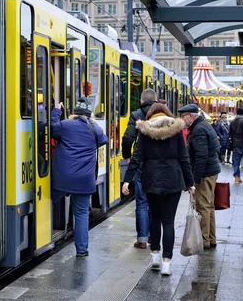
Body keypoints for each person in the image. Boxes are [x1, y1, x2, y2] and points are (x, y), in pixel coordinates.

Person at [122, 103, 194, 275]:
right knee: (168, 222)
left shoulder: (145, 132)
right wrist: (190, 183)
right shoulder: (176, 132)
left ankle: (154, 255)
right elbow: (184, 159)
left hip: (151, 180)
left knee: (155, 218)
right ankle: (167, 263)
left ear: (150, 116)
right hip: (173, 181)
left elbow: (137, 157)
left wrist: (127, 180)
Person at [51, 97, 109, 257]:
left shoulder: (66, 125)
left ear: (74, 113)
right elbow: (104, 140)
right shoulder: (94, 130)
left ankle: (44, 233)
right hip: (84, 179)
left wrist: (56, 111)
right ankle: (82, 250)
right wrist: (94, 123)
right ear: (89, 114)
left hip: (63, 177)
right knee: (82, 214)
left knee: (48, 203)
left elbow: (52, 129)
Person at [179, 104, 221, 249]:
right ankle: (210, 238)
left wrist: (195, 179)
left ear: (191, 116)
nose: (182, 120)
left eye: (183, 116)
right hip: (211, 170)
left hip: (205, 173)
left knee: (202, 207)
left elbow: (201, 156)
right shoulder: (204, 126)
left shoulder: (198, 130)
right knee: (209, 206)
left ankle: (204, 240)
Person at [121, 88, 158, 249]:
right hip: (157, 163)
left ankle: (142, 239)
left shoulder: (136, 115)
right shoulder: (162, 115)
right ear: (155, 101)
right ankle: (152, 236)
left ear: (141, 101)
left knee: (142, 202)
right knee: (154, 202)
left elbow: (128, 137)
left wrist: (127, 155)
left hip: (141, 162)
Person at [229, 108, 243, 184]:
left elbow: (230, 134)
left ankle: (237, 177)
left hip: (236, 144)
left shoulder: (232, 122)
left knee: (236, 162)